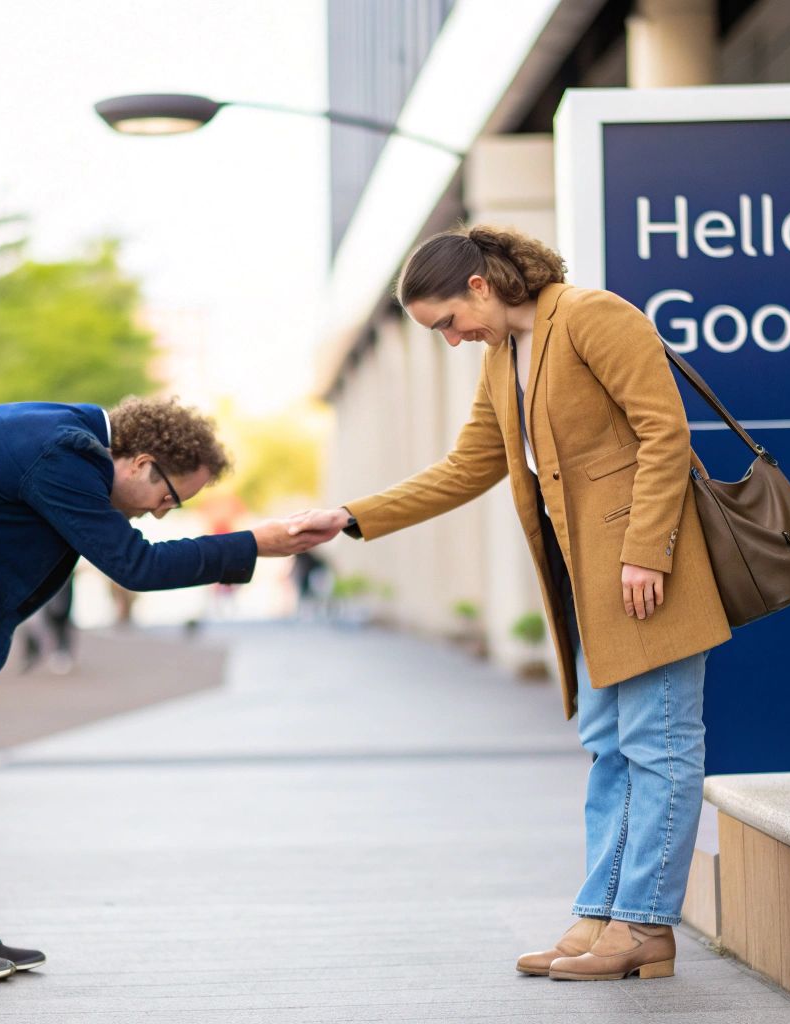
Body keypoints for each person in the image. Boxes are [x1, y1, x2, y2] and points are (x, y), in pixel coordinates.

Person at [288, 225, 731, 983]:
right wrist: (353, 517)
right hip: (584, 581)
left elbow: (665, 433)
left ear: (480, 287)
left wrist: (644, 550)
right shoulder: (504, 358)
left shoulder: (592, 315)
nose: (451, 340)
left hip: (645, 572)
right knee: (610, 746)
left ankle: (647, 925)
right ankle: (602, 912)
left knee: (659, 745)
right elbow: (468, 467)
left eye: (447, 322)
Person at [0, 396, 338, 985]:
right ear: (140, 462)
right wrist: (254, 543)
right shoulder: (63, 454)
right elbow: (138, 567)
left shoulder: (68, 435)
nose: (160, 513)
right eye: (170, 497)